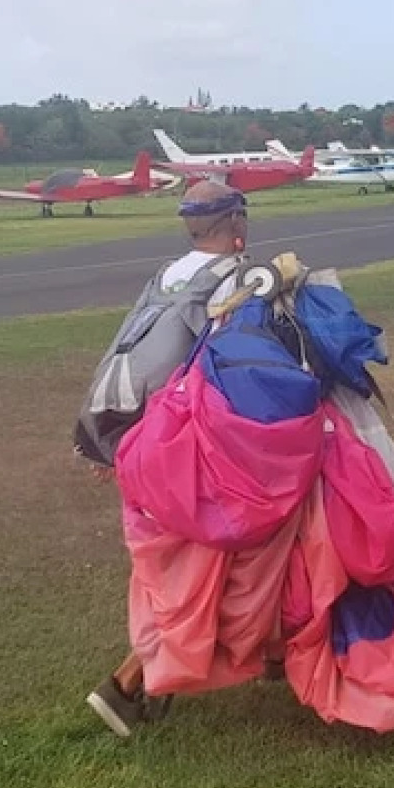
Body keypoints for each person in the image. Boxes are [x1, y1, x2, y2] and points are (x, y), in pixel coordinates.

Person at [84, 179, 251, 736]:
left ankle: (157, 676)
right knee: (204, 567)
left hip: (131, 439)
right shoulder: (232, 281)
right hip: (184, 446)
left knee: (165, 569)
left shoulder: (164, 277)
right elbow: (236, 367)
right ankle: (132, 680)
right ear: (237, 222)